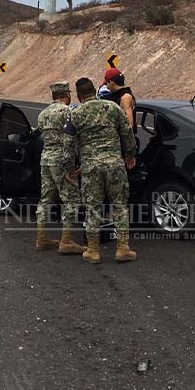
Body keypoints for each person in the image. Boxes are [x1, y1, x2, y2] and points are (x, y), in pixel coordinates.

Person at [64, 78, 138, 264]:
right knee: (120, 206)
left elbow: (67, 143)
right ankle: (122, 249)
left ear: (79, 96)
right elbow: (127, 133)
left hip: (91, 168)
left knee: (92, 208)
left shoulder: (75, 113)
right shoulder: (112, 108)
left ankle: (93, 251)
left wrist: (71, 168)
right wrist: (130, 155)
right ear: (95, 92)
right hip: (114, 164)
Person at [35, 81, 86, 255]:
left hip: (46, 159)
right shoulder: (68, 111)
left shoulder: (42, 114)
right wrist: (74, 165)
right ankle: (66, 241)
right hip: (61, 160)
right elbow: (72, 138)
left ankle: (41, 238)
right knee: (71, 199)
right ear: (67, 95)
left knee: (45, 198)